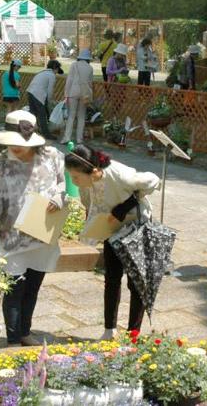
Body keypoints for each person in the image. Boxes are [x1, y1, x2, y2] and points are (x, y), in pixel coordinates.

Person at [0, 110, 65, 346]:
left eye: (19, 144)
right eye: (10, 143)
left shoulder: (52, 156)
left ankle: (25, 332)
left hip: (41, 235)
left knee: (32, 288)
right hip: (12, 240)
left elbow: (61, 184)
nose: (14, 148)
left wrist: (59, 198)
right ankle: (13, 340)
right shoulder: (0, 168)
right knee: (14, 291)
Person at [65, 145, 160, 339]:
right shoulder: (86, 183)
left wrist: (125, 206)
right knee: (112, 278)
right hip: (111, 228)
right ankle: (109, 330)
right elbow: (91, 204)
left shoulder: (120, 175)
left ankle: (133, 333)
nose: (73, 181)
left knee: (137, 282)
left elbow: (153, 180)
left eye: (75, 177)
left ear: (92, 171)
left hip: (135, 226)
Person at [62, 49, 94, 145]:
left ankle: (67, 137)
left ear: (80, 57)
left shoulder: (74, 65)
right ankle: (79, 139)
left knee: (71, 116)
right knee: (81, 117)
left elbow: (69, 80)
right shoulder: (90, 68)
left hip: (73, 92)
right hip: (85, 94)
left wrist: (66, 93)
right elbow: (90, 83)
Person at [26, 59, 58, 139]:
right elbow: (50, 91)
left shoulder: (42, 72)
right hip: (38, 94)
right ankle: (46, 135)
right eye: (57, 69)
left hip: (30, 92)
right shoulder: (51, 75)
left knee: (33, 114)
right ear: (55, 68)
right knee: (42, 115)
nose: (57, 71)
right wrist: (50, 102)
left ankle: (29, 131)